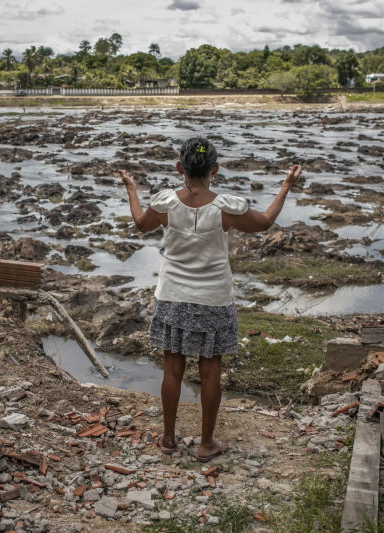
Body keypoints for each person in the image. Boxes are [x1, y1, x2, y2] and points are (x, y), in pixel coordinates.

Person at [118, 136, 301, 462]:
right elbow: (265, 222)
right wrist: (286, 186)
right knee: (210, 372)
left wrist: (132, 189)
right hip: (213, 299)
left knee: (172, 370)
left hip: (172, 296)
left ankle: (168, 439)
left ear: (180, 168)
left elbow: (140, 224)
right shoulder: (225, 208)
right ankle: (205, 443)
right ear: (215, 169)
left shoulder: (165, 203)